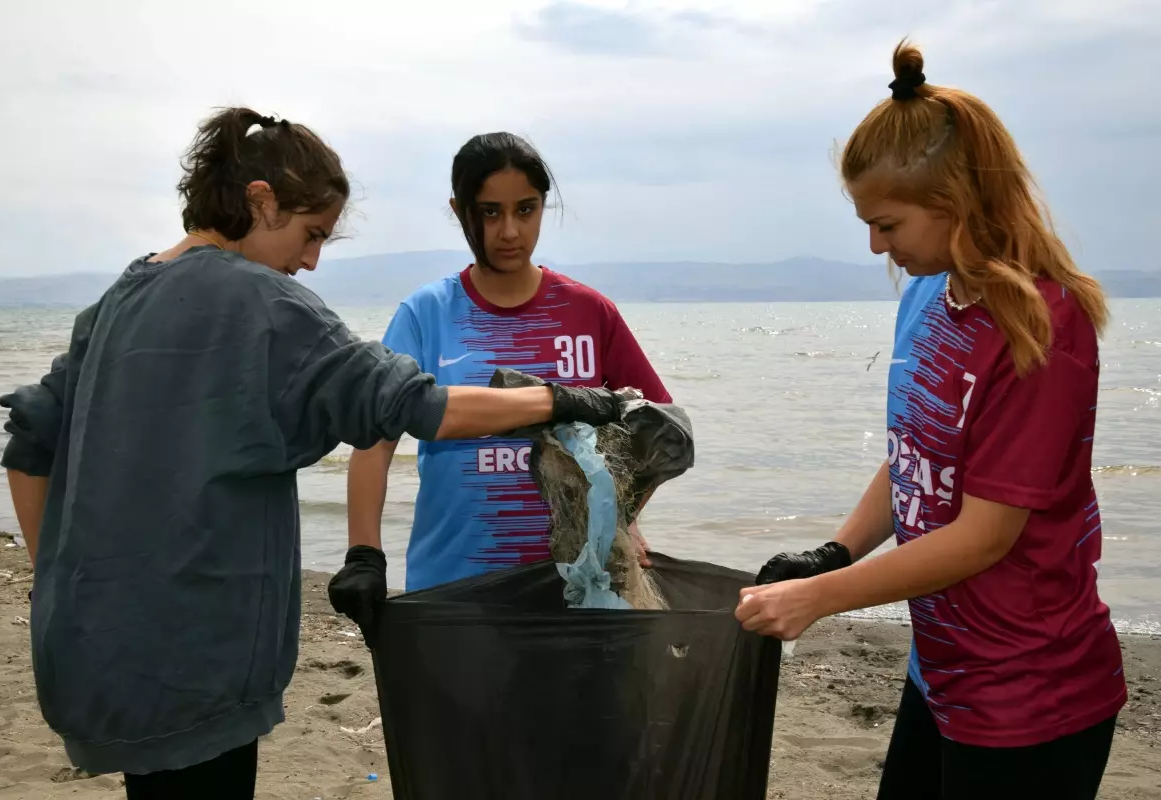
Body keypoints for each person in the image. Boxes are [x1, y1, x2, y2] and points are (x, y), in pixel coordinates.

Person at [0, 108, 626, 799]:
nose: (310, 260)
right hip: (202, 659)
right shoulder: (264, 303)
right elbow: (416, 405)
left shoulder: (117, 299)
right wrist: (557, 401)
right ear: (261, 202)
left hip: (98, 650)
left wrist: (56, 580)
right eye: (311, 234)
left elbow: (29, 446)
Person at [735, 41, 1125, 800]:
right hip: (941, 669)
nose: (875, 245)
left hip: (1033, 694)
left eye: (887, 223)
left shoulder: (1040, 329)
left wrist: (821, 600)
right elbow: (913, 458)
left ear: (957, 202)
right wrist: (832, 554)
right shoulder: (926, 297)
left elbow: (987, 535)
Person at [342, 132, 670, 624]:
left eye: (526, 209)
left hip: (577, 587)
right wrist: (364, 553)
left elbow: (659, 428)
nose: (510, 230)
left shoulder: (589, 312)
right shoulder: (426, 314)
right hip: (453, 582)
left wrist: (623, 516)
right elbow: (373, 442)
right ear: (459, 210)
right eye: (490, 212)